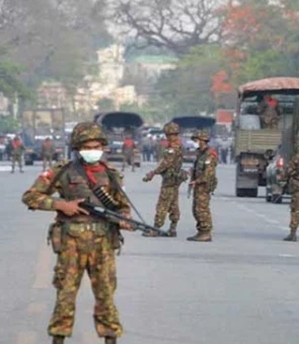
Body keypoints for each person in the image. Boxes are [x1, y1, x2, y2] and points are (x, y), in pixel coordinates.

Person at [21, 122, 134, 344]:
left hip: (102, 243)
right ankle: (59, 338)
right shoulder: (62, 171)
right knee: (65, 296)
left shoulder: (111, 175)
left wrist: (124, 220)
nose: (93, 150)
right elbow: (31, 196)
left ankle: (110, 339)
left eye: (96, 146)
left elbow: (122, 207)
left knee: (105, 296)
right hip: (71, 243)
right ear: (78, 148)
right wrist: (62, 205)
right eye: (87, 146)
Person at [143, 122, 186, 238]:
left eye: (168, 135)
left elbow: (166, 163)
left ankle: (156, 228)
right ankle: (173, 227)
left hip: (170, 179)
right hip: (175, 178)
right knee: (173, 203)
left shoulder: (173, 147)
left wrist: (153, 173)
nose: (167, 137)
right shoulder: (178, 145)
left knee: (163, 203)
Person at [187, 130, 218, 242]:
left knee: (202, 209)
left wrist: (197, 181)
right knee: (196, 209)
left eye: (196, 140)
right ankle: (201, 231)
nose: (195, 142)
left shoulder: (210, 154)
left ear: (202, 141)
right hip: (198, 185)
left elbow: (208, 173)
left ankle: (206, 232)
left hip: (203, 185)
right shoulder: (200, 153)